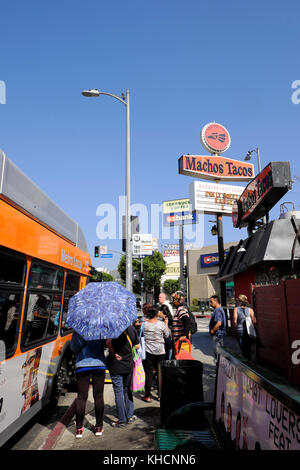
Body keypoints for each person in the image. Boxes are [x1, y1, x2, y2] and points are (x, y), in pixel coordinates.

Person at [70, 330, 106, 438]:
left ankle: (79, 429)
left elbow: (73, 348)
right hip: (99, 364)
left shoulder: (79, 329)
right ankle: (99, 427)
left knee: (81, 397)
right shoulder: (100, 327)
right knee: (98, 396)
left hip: (82, 365)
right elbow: (105, 345)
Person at [106, 325, 140, 427]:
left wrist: (114, 353)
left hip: (116, 365)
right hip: (128, 364)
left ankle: (121, 420)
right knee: (127, 389)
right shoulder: (131, 328)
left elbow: (108, 343)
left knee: (118, 392)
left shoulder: (111, 328)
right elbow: (137, 346)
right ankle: (130, 415)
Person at [142, 306, 171, 402]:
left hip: (148, 351)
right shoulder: (161, 324)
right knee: (160, 374)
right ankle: (160, 395)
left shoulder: (144, 324)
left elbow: (141, 336)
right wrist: (166, 324)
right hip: (160, 352)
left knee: (148, 374)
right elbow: (167, 335)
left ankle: (147, 395)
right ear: (156, 314)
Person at [232, 294, 256, 361]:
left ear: (239, 301)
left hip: (240, 330)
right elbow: (254, 321)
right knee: (248, 348)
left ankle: (245, 363)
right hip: (249, 331)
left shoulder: (236, 309)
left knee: (243, 348)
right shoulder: (250, 310)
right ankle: (249, 362)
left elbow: (234, 321)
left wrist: (234, 329)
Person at [209, 295, 227, 364]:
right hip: (219, 335)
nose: (210, 304)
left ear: (216, 301)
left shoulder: (218, 310)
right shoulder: (219, 309)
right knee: (219, 354)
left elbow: (219, 323)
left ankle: (218, 372)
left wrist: (212, 331)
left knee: (218, 354)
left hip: (217, 335)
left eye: (211, 302)